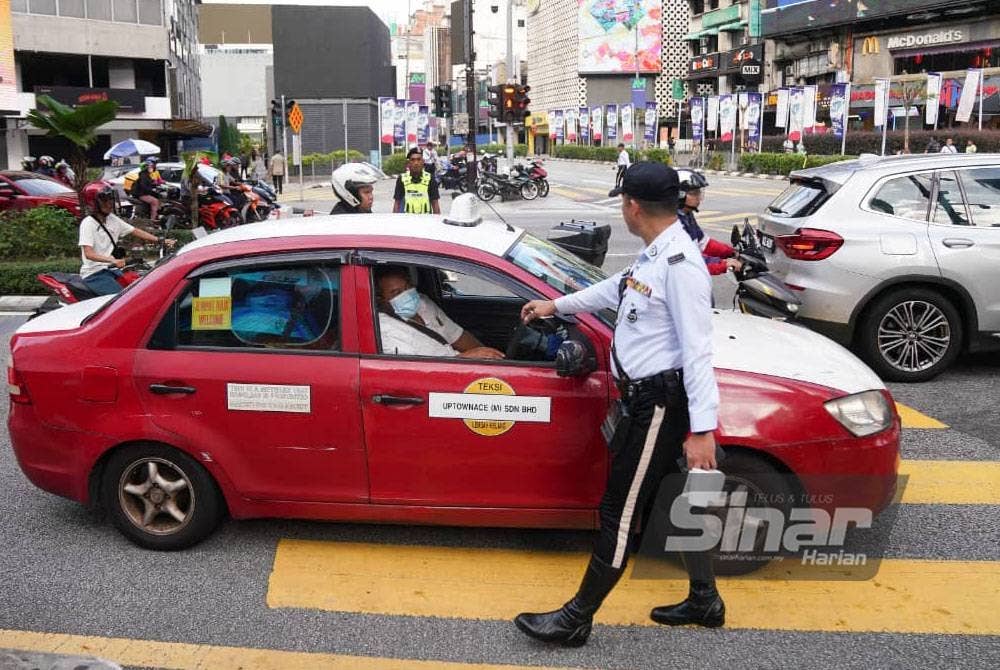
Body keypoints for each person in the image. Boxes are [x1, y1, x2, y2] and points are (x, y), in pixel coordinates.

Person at [514, 162, 723, 646]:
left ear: (632, 206)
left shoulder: (680, 266)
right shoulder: (658, 253)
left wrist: (702, 430)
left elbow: (698, 350)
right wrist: (556, 305)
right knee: (677, 501)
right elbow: (618, 289)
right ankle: (704, 599)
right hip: (648, 398)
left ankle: (575, 618)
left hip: (660, 404)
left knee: (619, 512)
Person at [375, 265, 504, 359]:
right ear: (381, 300)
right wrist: (464, 358)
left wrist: (491, 359)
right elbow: (418, 370)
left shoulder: (423, 303)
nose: (407, 294)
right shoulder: (383, 330)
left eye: (408, 287)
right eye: (397, 293)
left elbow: (458, 336)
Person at [78, 187, 174, 295]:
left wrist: (161, 240)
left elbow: (135, 231)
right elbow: (89, 254)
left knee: (137, 288)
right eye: (105, 200)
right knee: (121, 301)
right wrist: (113, 261)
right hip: (95, 273)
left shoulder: (112, 219)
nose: (110, 203)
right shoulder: (88, 223)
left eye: (111, 199)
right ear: (93, 203)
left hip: (111, 270)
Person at [675, 169, 741, 276]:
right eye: (695, 193)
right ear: (680, 194)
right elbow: (686, 260)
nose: (699, 198)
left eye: (699, 192)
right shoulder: (672, 222)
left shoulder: (686, 215)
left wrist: (731, 252)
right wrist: (723, 264)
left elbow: (704, 243)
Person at [393, 147, 441, 214]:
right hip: (406, 222)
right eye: (412, 160)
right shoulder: (402, 179)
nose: (416, 163)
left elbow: (435, 203)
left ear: (423, 162)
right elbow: (397, 203)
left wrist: (437, 222)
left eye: (419, 159)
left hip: (426, 221)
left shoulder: (430, 178)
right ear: (408, 163)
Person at [132, 157, 163, 222]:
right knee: (155, 201)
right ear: (146, 168)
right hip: (141, 194)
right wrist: (152, 189)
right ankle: (153, 220)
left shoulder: (147, 175)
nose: (151, 168)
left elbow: (152, 182)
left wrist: (157, 185)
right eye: (150, 167)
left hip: (145, 193)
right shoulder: (143, 175)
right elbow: (144, 186)